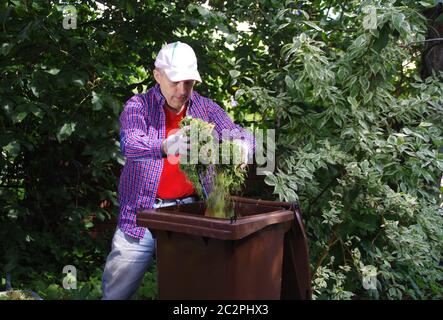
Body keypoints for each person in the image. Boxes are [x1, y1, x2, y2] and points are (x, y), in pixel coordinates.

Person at [101, 41, 255, 299]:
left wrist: (242, 146)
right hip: (141, 214)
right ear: (157, 75)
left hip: (188, 213)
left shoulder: (205, 109)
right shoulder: (138, 107)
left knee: (186, 290)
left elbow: (238, 132)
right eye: (175, 82)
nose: (182, 90)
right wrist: (164, 145)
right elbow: (131, 144)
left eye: (189, 82)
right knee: (117, 292)